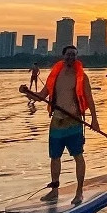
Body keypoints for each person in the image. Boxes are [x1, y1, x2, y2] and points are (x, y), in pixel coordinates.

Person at [27, 45, 98, 204]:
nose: (71, 58)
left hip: (74, 122)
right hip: (56, 123)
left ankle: (79, 192)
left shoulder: (81, 77)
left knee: (78, 156)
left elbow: (90, 99)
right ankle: (54, 191)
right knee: (54, 157)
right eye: (68, 55)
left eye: (74, 55)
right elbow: (41, 96)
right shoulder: (55, 75)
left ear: (76, 57)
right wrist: (27, 92)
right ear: (63, 56)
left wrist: (94, 119)